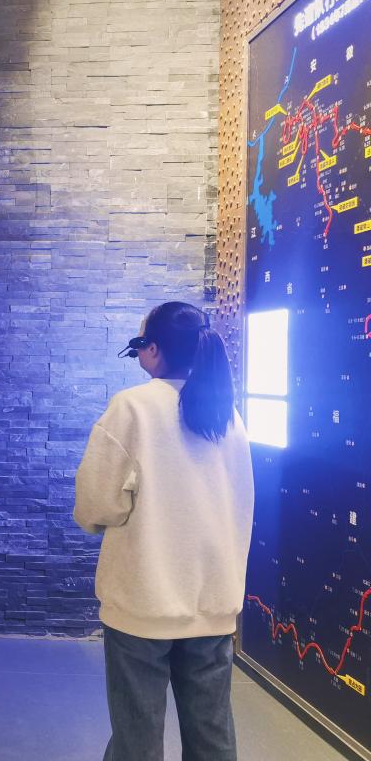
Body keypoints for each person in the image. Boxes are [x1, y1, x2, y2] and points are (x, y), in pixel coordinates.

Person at [73, 301, 255, 761]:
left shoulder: (132, 407)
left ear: (152, 349)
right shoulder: (228, 416)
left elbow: (95, 505)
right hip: (212, 600)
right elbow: (240, 503)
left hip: (142, 601)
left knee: (137, 736)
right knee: (212, 734)